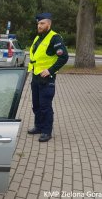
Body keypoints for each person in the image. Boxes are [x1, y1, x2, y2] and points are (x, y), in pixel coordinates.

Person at [27, 13, 69, 142]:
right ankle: (39, 127)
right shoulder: (38, 37)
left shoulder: (54, 38)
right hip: (35, 76)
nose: (39, 26)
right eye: (38, 23)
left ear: (48, 24)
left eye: (42, 23)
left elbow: (64, 57)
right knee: (36, 105)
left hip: (46, 78)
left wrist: (50, 70)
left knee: (45, 106)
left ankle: (46, 131)